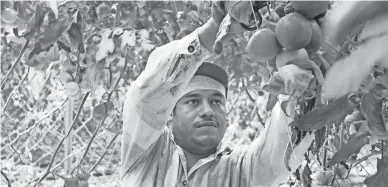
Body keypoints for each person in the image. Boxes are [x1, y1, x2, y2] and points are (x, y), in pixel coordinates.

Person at [121, 2, 313, 187]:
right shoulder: (146, 156)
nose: (207, 111)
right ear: (171, 115)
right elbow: (145, 98)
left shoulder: (241, 169)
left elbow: (278, 151)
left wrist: (295, 90)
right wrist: (214, 29)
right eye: (193, 101)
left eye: (216, 101)